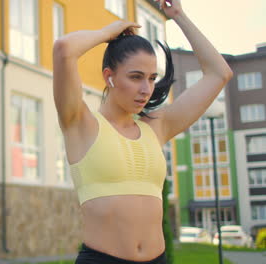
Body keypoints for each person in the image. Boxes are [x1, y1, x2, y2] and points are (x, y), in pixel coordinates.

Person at [52, 0, 232, 263]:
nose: (146, 89)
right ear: (109, 77)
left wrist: (178, 16)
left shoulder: (157, 127)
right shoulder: (80, 123)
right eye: (136, 77)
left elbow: (219, 73)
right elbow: (63, 49)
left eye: (151, 78)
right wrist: (107, 33)